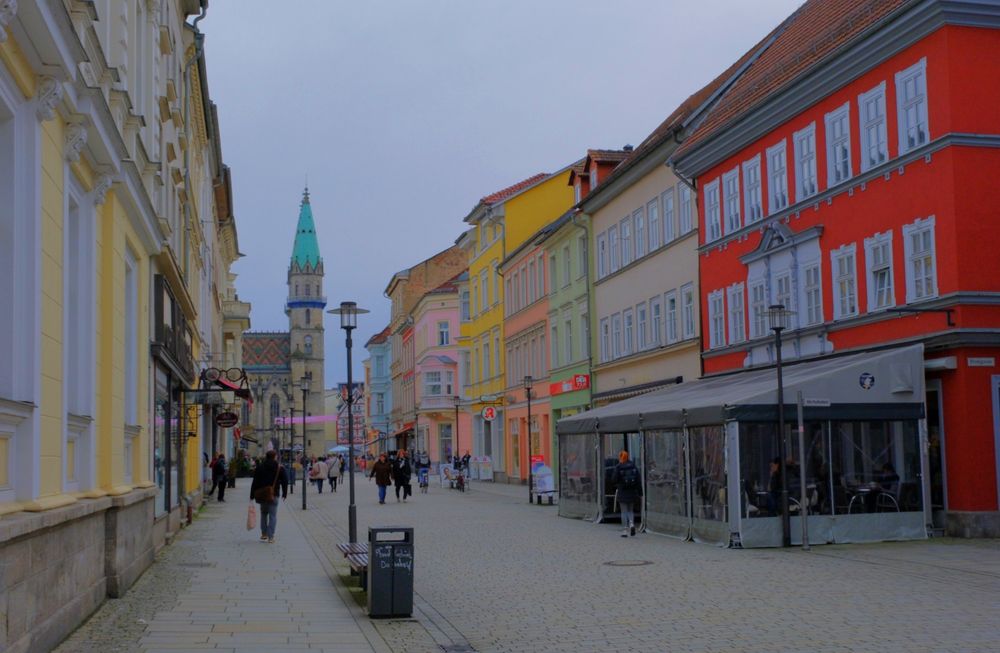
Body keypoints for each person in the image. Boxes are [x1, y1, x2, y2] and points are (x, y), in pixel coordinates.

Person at [249, 450, 288, 543]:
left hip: (262, 495)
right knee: (273, 515)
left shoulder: (260, 467)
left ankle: (264, 534)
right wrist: (285, 493)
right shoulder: (279, 467)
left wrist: (252, 495)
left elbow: (254, 482)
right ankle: (271, 537)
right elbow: (285, 481)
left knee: (263, 514)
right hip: (274, 494)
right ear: (275, 457)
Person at [611, 450, 642, 537]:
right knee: (630, 510)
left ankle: (625, 530)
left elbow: (613, 479)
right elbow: (638, 480)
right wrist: (640, 493)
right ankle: (631, 524)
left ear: (620, 457)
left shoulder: (618, 467)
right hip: (632, 491)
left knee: (624, 511)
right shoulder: (633, 466)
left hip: (622, 491)